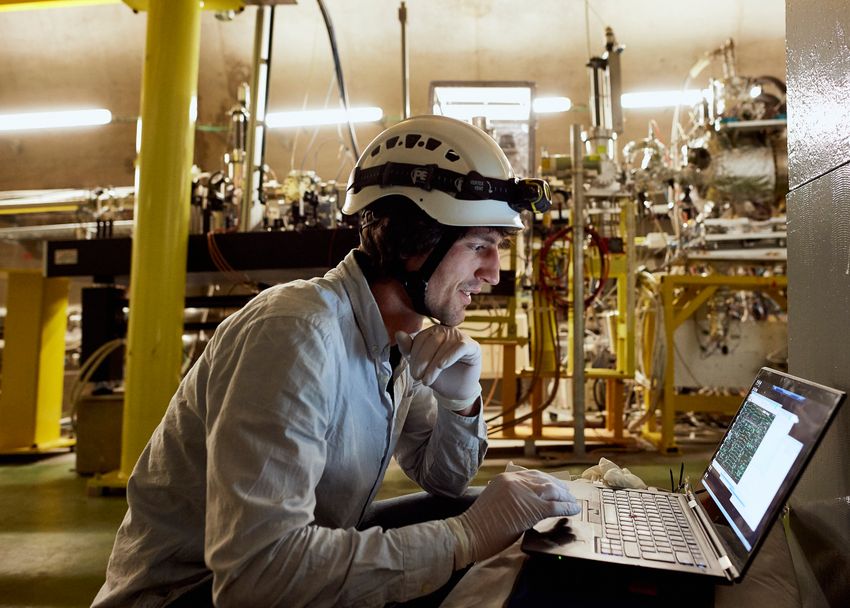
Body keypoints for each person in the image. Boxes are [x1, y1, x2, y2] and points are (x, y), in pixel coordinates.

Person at [93, 115, 581, 608]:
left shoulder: (397, 338)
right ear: (416, 240)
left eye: (497, 248)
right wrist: (465, 539)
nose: (494, 273)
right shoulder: (296, 333)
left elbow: (445, 479)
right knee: (480, 542)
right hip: (188, 596)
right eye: (479, 246)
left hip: (268, 570)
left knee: (517, 529)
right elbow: (255, 579)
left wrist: (460, 405)